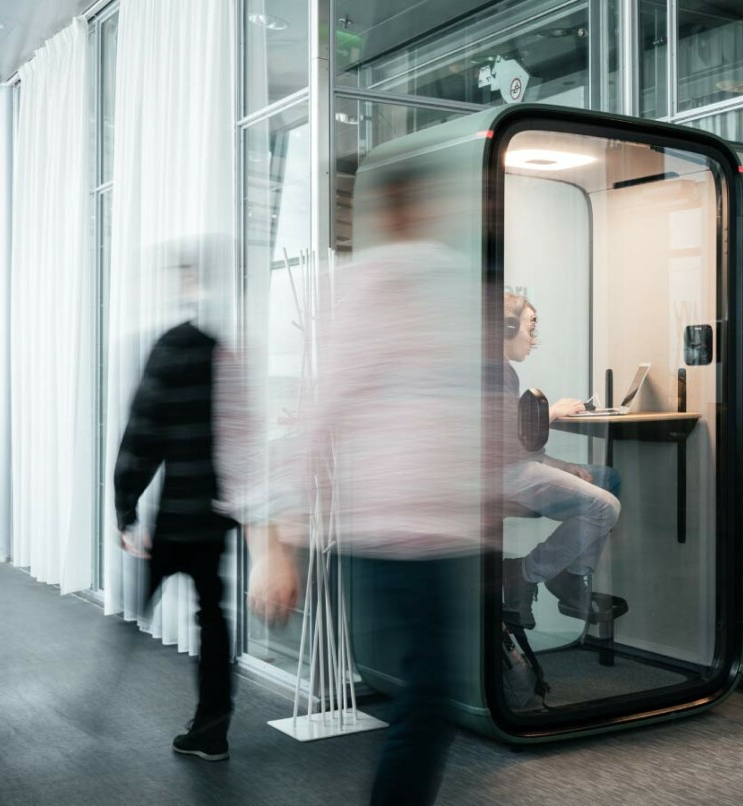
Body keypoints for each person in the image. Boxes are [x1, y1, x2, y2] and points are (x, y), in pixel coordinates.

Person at [248, 164, 483, 806]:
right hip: (389, 533)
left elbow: (464, 404)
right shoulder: (365, 289)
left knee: (432, 695)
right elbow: (319, 419)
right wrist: (281, 546)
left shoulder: (445, 280)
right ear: (395, 211)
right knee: (430, 695)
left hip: (443, 532)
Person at [113, 242, 239, 762]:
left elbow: (144, 433)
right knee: (213, 618)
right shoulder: (220, 350)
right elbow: (238, 435)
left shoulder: (168, 348)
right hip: (213, 514)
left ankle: (103, 696)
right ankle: (211, 730)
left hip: (176, 518)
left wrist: (126, 507)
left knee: (139, 603)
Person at [500, 292, 622, 630]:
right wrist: (551, 412)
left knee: (605, 479)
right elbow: (503, 441)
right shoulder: (490, 371)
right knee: (605, 507)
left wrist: (558, 465)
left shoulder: (504, 371)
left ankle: (571, 578)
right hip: (497, 474)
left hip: (511, 465)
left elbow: (516, 444)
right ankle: (524, 573)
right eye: (530, 328)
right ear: (507, 327)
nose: (533, 339)